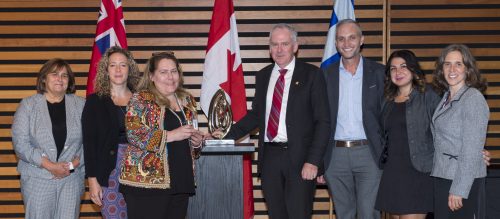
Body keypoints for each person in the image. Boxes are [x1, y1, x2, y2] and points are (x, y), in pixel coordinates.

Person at [213, 23, 331, 219]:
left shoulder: (312, 74)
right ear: (269, 48)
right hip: (270, 159)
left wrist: (313, 161)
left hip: (301, 160)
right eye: (274, 44)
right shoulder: (263, 75)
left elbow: (323, 122)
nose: (279, 49)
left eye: (284, 44)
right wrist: (225, 134)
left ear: (295, 46)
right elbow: (256, 116)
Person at [118, 51, 204, 219]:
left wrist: (196, 143)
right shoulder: (141, 99)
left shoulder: (188, 100)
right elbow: (134, 134)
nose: (170, 76)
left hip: (181, 180)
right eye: (163, 72)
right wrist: (171, 135)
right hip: (147, 183)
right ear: (151, 76)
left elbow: (192, 145)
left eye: (174, 71)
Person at [320, 19, 385, 219]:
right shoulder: (324, 75)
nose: (346, 43)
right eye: (341, 39)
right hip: (335, 155)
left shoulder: (380, 73)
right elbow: (318, 121)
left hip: (370, 154)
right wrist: (319, 161)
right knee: (344, 214)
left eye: (351, 37)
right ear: (336, 43)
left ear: (361, 40)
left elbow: (388, 116)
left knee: (369, 213)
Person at [11, 58, 85, 219]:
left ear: (69, 81)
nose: (60, 79)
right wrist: (50, 166)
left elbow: (92, 142)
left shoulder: (81, 105)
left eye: (65, 75)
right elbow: (20, 144)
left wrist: (71, 166)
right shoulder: (28, 105)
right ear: (44, 79)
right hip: (38, 179)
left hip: (71, 180)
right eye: (54, 74)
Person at [374, 50, 441, 219]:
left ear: (413, 69)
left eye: (403, 66)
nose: (398, 72)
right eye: (393, 68)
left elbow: (447, 130)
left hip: (418, 172)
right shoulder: (386, 99)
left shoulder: (429, 95)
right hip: (393, 172)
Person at [431, 44, 489, 219]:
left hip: (462, 182)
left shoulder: (473, 98)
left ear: (468, 69)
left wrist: (459, 190)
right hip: (444, 176)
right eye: (447, 64)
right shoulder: (446, 97)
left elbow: (471, 149)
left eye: (458, 64)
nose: (452, 69)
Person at [82, 46, 140, 218]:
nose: (118, 70)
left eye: (123, 65)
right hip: (109, 171)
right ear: (106, 70)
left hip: (141, 170)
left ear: (129, 69)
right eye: (113, 65)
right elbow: (89, 143)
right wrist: (92, 181)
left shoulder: (142, 99)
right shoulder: (95, 102)